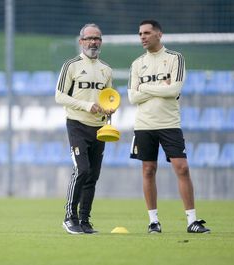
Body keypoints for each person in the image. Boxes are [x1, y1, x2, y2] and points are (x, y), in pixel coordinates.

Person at [128, 19, 210, 234]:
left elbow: (174, 90)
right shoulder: (137, 64)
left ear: (159, 34)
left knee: (182, 168)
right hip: (144, 125)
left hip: (169, 124)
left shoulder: (175, 58)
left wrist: (145, 87)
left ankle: (192, 221)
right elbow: (132, 97)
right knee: (148, 170)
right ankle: (153, 221)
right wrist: (158, 87)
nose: (143, 37)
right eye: (140, 34)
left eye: (147, 33)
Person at [55, 23, 115, 234]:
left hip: (99, 128)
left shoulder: (106, 69)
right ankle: (69, 217)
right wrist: (87, 105)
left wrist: (110, 109)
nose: (93, 42)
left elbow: (108, 97)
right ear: (81, 41)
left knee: (93, 175)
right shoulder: (71, 65)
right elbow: (59, 95)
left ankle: (84, 220)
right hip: (77, 125)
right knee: (82, 169)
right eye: (89, 38)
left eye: (97, 38)